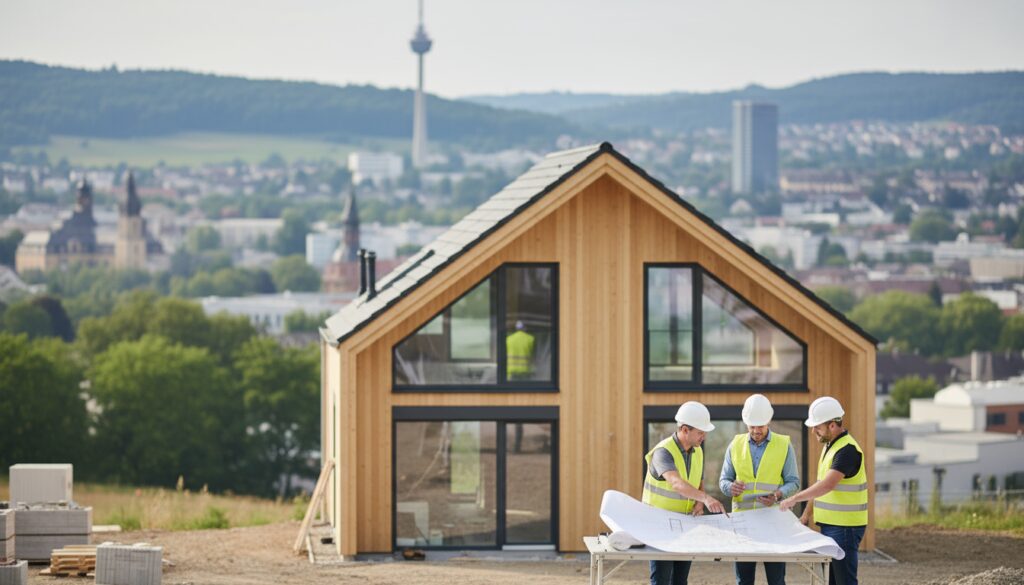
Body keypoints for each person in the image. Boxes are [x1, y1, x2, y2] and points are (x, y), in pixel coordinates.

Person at [780, 397, 867, 585]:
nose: (813, 431)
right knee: (831, 580)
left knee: (844, 581)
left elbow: (827, 485)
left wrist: (794, 498)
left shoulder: (847, 451)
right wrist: (805, 516)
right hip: (832, 526)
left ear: (832, 425)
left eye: (817, 427)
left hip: (845, 528)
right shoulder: (831, 446)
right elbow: (820, 486)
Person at [643, 401, 727, 585]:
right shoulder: (663, 452)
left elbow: (698, 481)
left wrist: (699, 501)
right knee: (661, 580)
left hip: (686, 524)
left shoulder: (697, 451)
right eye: (700, 432)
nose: (704, 436)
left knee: (680, 580)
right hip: (660, 526)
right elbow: (676, 483)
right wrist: (706, 498)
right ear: (685, 430)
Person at [719, 394, 800, 585]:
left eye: (760, 426)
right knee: (744, 580)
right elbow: (723, 481)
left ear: (768, 421)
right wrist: (731, 487)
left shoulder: (784, 445)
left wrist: (778, 495)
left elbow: (794, 482)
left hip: (773, 521)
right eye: (752, 426)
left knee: (776, 580)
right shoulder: (735, 445)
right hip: (743, 524)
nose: (756, 431)